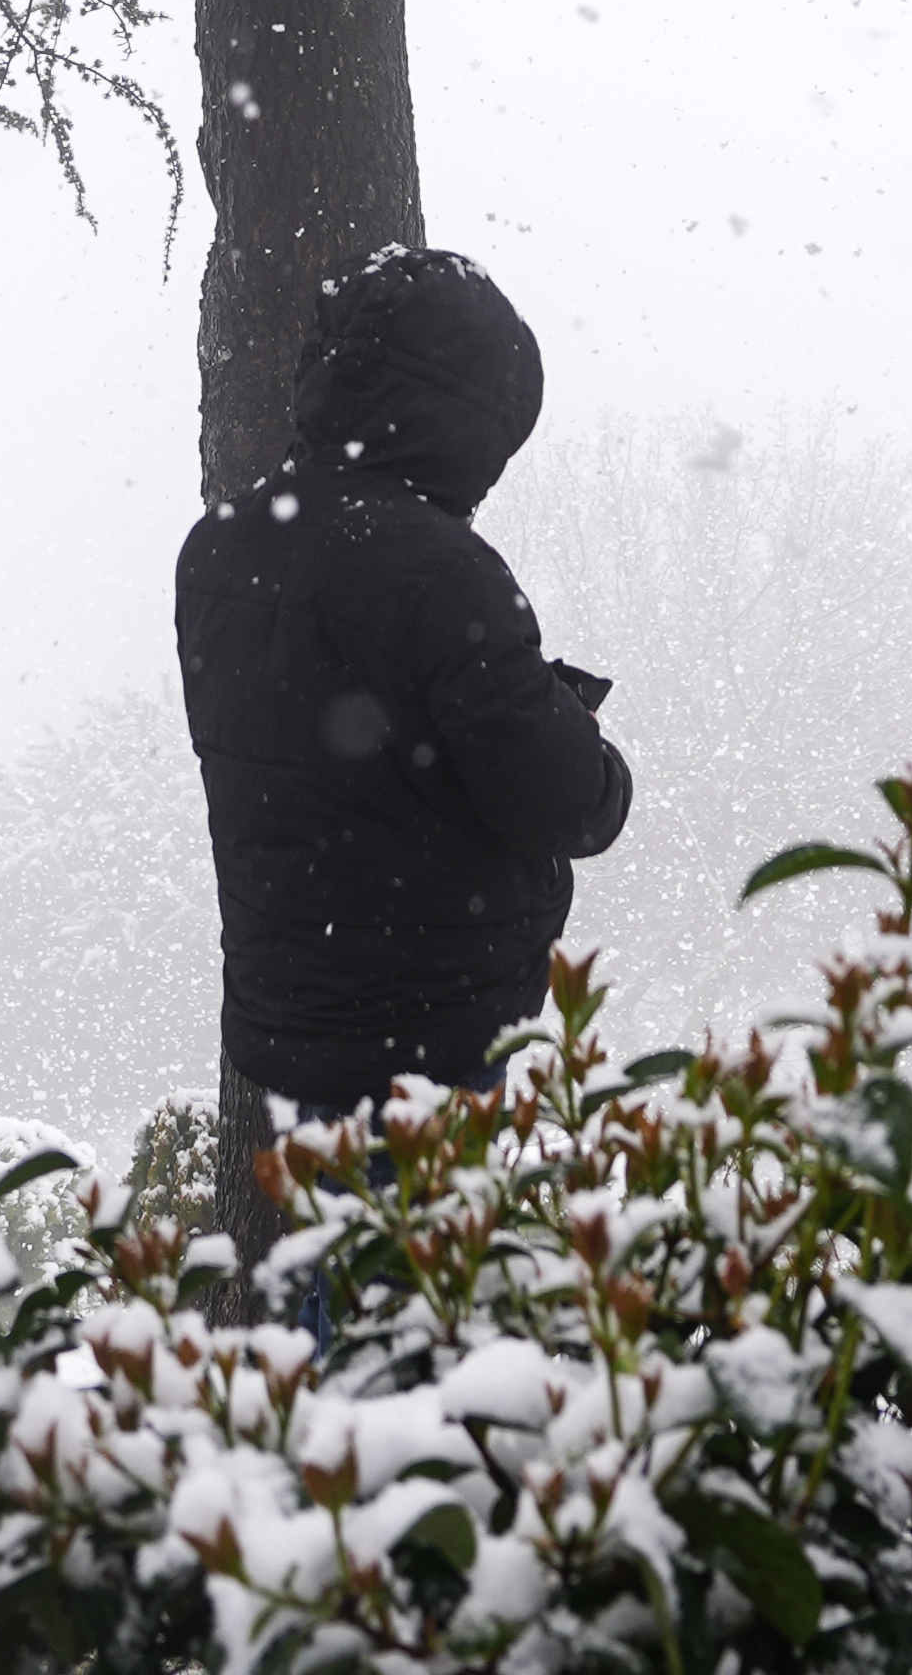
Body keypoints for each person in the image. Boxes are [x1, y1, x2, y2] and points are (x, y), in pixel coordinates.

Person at [172, 247, 632, 1243]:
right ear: (466, 420)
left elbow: (322, 740)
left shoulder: (220, 546)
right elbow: (564, 798)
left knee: (328, 1270)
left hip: (293, 1012)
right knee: (416, 1310)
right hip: (426, 1025)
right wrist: (587, 747)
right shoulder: (434, 565)